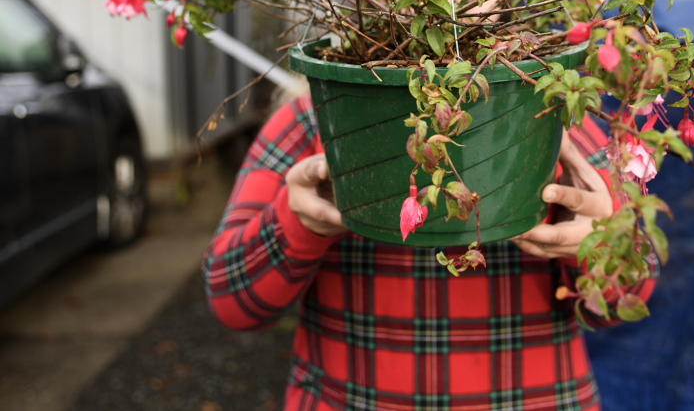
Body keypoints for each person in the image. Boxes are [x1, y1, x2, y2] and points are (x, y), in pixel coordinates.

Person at [203, 94, 658, 411]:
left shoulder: (550, 113)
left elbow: (628, 296)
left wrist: (598, 244)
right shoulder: (316, 118)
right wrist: (296, 220)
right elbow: (232, 299)